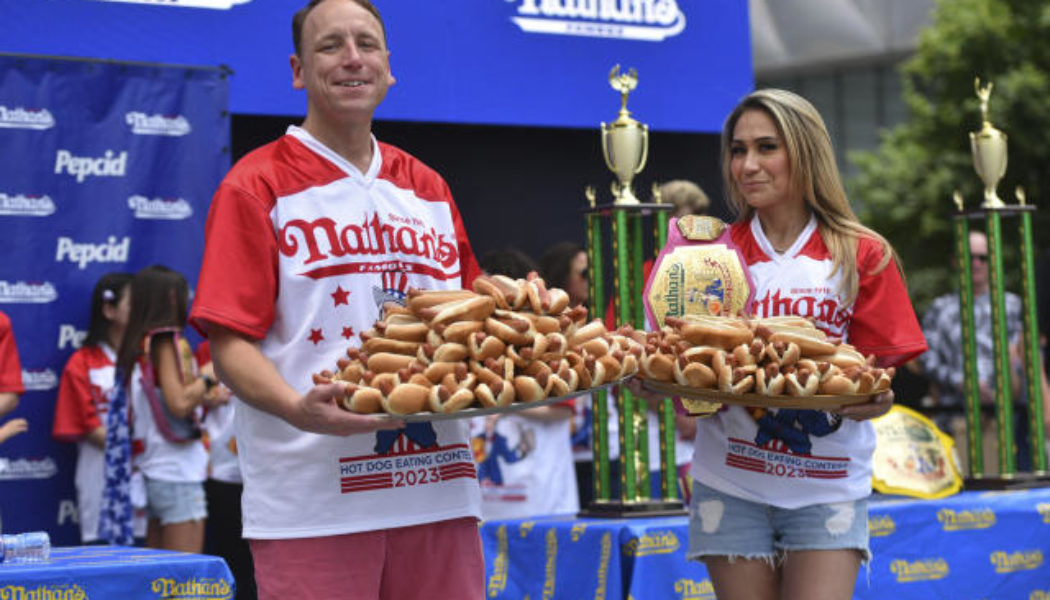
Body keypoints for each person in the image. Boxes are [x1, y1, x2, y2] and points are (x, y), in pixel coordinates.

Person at [188, 1, 484, 598]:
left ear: (389, 67)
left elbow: (474, 320)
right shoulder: (255, 184)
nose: (352, 58)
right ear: (298, 70)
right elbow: (229, 345)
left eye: (367, 44)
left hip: (439, 489)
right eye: (331, 46)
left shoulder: (428, 187)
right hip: (314, 503)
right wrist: (299, 409)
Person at [667, 89, 927, 600]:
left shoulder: (861, 252)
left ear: (805, 153)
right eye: (738, 150)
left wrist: (875, 400)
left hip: (828, 484)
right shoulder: (708, 253)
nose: (748, 165)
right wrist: (667, 385)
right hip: (731, 480)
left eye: (767, 147)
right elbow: (688, 380)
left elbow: (879, 383)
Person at [117, 265, 229, 553]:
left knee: (161, 579)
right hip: (176, 471)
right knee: (186, 581)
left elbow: (163, 400)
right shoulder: (164, 339)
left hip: (155, 469)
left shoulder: (138, 341)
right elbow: (178, 404)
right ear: (169, 298)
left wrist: (204, 395)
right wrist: (208, 375)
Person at [471, 248, 579, 520]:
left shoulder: (548, 345)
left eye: (490, 294)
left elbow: (564, 409)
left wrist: (506, 405)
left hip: (544, 505)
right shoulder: (471, 348)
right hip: (485, 508)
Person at [52, 272, 151, 544]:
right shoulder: (82, 363)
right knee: (105, 563)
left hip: (150, 476)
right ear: (109, 310)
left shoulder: (149, 358)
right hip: (102, 480)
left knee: (149, 567)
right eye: (134, 303)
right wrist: (131, 447)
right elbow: (86, 424)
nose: (142, 312)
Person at [921, 230, 1028, 472]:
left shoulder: (1012, 306)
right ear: (956, 261)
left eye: (983, 257)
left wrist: (1000, 386)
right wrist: (962, 382)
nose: (977, 263)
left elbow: (1026, 359)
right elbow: (926, 361)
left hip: (1007, 422)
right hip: (954, 421)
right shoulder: (940, 309)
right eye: (970, 256)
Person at [196, 341, 256, 600]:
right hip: (221, 468)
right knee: (230, 556)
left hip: (262, 470)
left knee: (261, 558)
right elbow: (185, 400)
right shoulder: (204, 350)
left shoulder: (275, 342)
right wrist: (208, 395)